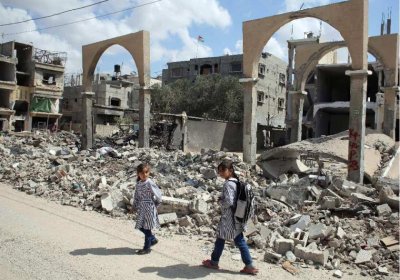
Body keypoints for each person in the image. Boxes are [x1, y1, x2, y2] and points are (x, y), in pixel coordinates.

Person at [202, 160, 259, 275]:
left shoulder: (228, 184)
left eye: (223, 170)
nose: (221, 173)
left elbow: (228, 201)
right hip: (237, 216)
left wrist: (220, 202)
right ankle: (214, 261)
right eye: (219, 171)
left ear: (231, 170)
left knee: (238, 240)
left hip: (229, 217)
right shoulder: (237, 182)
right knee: (221, 238)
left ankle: (249, 266)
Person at [133, 163, 162, 255]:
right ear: (138, 174)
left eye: (146, 172)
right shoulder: (138, 184)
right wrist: (134, 206)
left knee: (147, 228)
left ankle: (147, 248)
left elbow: (158, 194)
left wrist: (156, 204)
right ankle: (152, 239)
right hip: (142, 208)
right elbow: (136, 196)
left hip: (149, 207)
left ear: (149, 172)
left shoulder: (149, 182)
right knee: (140, 226)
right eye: (142, 173)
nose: (144, 175)